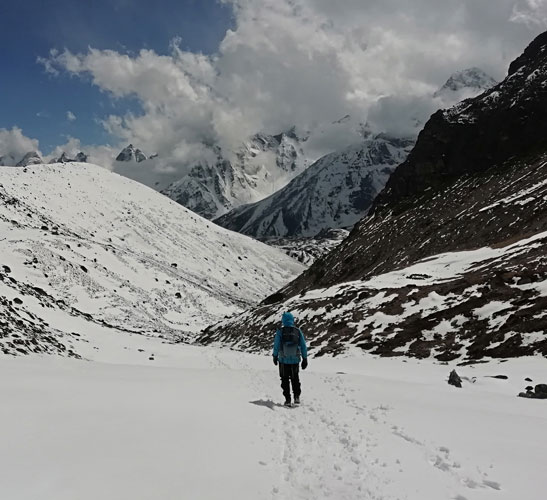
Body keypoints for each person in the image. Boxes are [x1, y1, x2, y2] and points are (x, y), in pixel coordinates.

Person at [272, 311, 308, 406]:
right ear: (292, 320)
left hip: (283, 360)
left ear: (283, 320)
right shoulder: (297, 331)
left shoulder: (280, 332)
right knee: (295, 378)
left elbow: (276, 345)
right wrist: (305, 358)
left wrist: (275, 356)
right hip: (295, 360)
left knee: (284, 379)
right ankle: (296, 397)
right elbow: (303, 346)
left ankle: (287, 399)